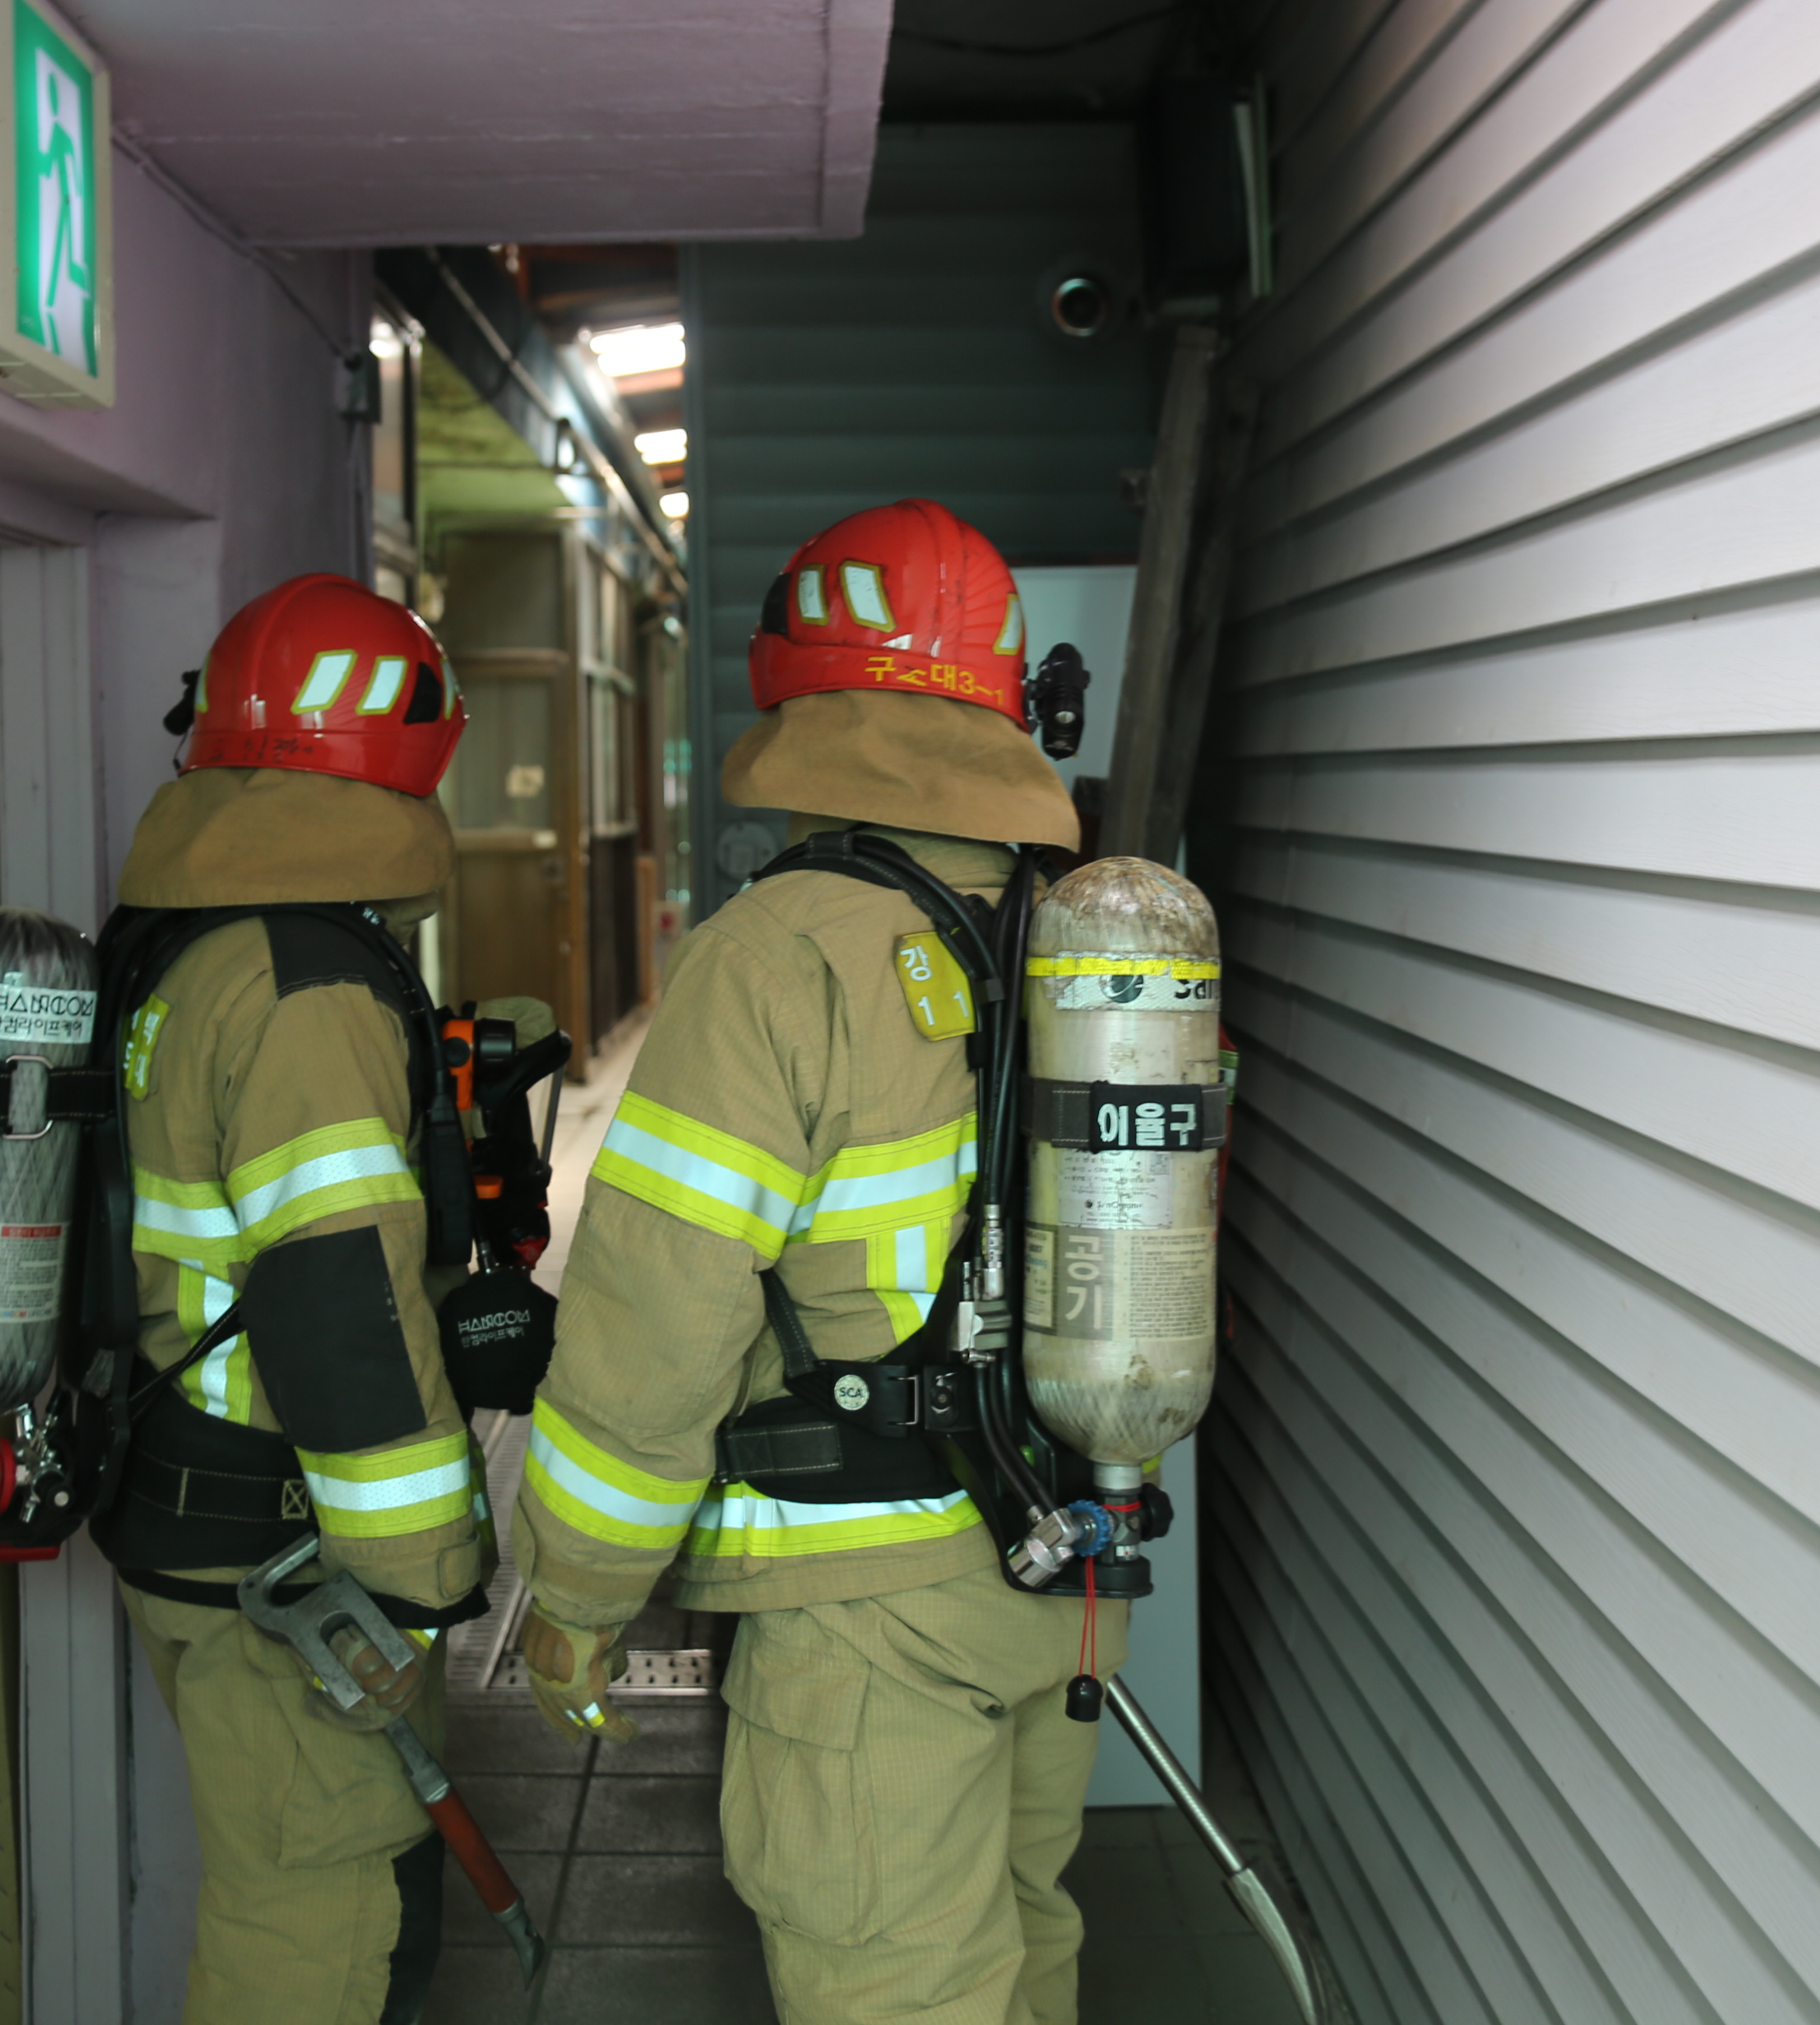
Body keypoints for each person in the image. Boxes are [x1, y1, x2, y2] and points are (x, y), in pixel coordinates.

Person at [510, 500, 1123, 2023]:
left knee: (899, 1990)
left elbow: (656, 1320)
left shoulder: (774, 956)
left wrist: (578, 1585)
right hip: (1058, 1569)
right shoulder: (1074, 933)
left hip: (865, 1614)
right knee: (1026, 1957)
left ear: (795, 685)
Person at [88, 572, 507, 2025]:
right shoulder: (304, 985)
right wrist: (424, 1576)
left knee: (293, 1897)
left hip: (183, 1503)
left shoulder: (178, 946)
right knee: (318, 1929)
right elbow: (339, 1299)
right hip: (288, 1557)